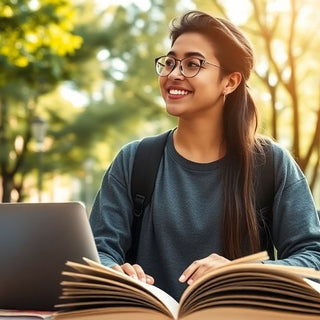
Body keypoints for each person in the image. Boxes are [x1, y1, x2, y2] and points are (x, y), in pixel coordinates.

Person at [89, 10, 320, 301]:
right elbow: (97, 249)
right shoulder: (134, 160)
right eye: (170, 62)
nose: (174, 74)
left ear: (230, 82)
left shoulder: (270, 164)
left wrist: (245, 271)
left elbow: (313, 257)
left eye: (192, 64)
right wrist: (114, 270)